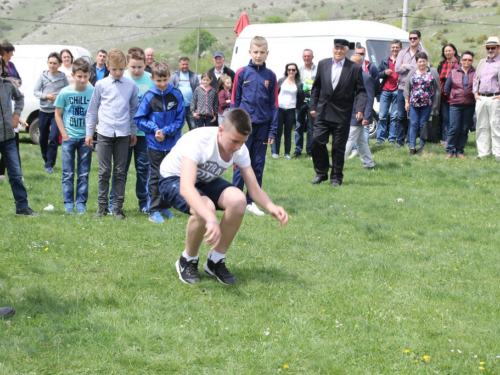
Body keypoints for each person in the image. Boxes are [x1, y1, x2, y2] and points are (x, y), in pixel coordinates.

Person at [158, 108, 288, 285]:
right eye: (234, 141)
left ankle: (215, 261)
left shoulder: (240, 149)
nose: (237, 147)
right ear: (221, 130)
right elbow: (187, 188)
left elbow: (254, 189)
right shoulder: (198, 140)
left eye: (242, 142)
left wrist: (272, 207)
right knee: (205, 208)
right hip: (173, 178)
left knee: (238, 200)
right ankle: (187, 260)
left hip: (204, 179)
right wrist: (211, 218)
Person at [85, 48, 139, 220]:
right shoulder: (101, 85)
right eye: (114, 69)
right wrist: (89, 132)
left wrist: (133, 131)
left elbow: (133, 110)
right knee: (104, 171)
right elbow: (92, 109)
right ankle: (102, 207)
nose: (117, 73)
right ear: (107, 66)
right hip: (104, 133)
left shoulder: (131, 85)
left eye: (121, 69)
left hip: (123, 133)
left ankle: (117, 207)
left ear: (125, 67)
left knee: (120, 171)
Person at [309, 38, 367, 187]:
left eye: (342, 48)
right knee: (316, 141)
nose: (339, 51)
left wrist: (360, 109)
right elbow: (316, 88)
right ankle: (321, 173)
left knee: (338, 147)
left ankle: (336, 177)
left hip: (342, 113)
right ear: (333, 49)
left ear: (347, 51)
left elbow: (361, 91)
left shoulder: (354, 68)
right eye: (336, 48)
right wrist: (313, 106)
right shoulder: (323, 64)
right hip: (323, 111)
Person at [231, 36, 278, 216]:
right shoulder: (242, 73)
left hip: (263, 128)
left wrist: (272, 130)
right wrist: (233, 127)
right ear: (250, 52)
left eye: (262, 52)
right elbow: (234, 102)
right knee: (239, 163)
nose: (258, 55)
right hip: (243, 128)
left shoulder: (271, 76)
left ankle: (251, 201)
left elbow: (274, 105)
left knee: (257, 164)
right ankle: (235, 200)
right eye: (255, 52)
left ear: (267, 53)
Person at [134, 61, 185, 223]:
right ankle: (154, 209)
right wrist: (155, 129)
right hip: (155, 144)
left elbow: (180, 119)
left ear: (170, 77)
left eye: (165, 80)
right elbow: (139, 118)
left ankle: (165, 207)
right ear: (152, 78)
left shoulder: (176, 94)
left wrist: (166, 131)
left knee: (170, 175)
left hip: (172, 144)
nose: (162, 84)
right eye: (158, 80)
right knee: (155, 175)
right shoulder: (149, 96)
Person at [109, 47, 151, 214]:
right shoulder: (121, 77)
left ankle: (143, 201)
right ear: (127, 65)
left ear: (145, 64)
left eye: (139, 67)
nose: (136, 70)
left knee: (143, 168)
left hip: (143, 132)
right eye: (133, 67)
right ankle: (114, 202)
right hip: (122, 132)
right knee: (120, 168)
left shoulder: (150, 79)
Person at [54, 58, 94, 214]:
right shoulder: (65, 92)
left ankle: (81, 203)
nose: (83, 80)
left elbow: (95, 113)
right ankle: (68, 203)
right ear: (73, 75)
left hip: (86, 138)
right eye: (79, 76)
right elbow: (57, 114)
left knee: (84, 173)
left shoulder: (93, 92)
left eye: (85, 76)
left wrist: (91, 132)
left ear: (89, 75)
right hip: (69, 138)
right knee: (68, 172)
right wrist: (64, 134)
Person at [0, 74, 39, 216]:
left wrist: (16, 114)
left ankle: (22, 207)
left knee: (16, 174)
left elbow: (20, 98)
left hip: (9, 137)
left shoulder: (7, 85)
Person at [34, 52, 69, 174]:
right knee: (43, 138)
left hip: (57, 112)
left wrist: (59, 97)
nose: (52, 66)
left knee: (53, 138)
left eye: (55, 63)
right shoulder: (43, 76)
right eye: (50, 63)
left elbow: (67, 91)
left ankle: (50, 164)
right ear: (47, 63)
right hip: (44, 111)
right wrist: (46, 96)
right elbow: (36, 91)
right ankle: (46, 158)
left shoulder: (63, 77)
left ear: (59, 64)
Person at [395, 30, 429, 148]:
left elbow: (421, 67)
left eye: (415, 38)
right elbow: (397, 69)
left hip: (418, 90)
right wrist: (411, 67)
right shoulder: (402, 53)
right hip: (402, 87)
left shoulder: (424, 53)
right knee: (400, 116)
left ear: (419, 39)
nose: (412, 40)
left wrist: (406, 65)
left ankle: (410, 141)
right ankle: (399, 141)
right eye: (410, 38)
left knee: (413, 119)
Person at [404, 52, 440, 155]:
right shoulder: (412, 72)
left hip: (427, 103)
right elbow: (407, 88)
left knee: (423, 125)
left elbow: (437, 89)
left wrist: (436, 104)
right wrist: (407, 101)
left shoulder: (432, 72)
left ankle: (421, 145)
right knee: (413, 124)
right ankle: (412, 147)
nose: (422, 63)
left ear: (427, 61)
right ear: (416, 62)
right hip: (414, 104)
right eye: (420, 61)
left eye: (424, 61)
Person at [344, 55, 375, 169]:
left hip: (358, 114)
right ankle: (368, 163)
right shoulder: (348, 75)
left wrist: (367, 116)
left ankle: (338, 163)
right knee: (361, 141)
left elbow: (369, 97)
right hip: (348, 113)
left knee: (349, 138)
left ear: (359, 64)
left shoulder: (365, 77)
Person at [444, 51, 476, 159]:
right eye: (465, 59)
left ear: (472, 61)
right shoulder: (454, 72)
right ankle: (450, 151)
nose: (467, 62)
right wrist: (453, 97)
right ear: (461, 60)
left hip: (470, 104)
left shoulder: (475, 73)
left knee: (464, 128)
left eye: (469, 60)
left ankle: (460, 151)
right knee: (454, 128)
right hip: (455, 105)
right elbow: (446, 88)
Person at [472, 36, 500, 160]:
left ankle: (498, 153)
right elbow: (475, 79)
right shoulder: (482, 62)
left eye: (492, 47)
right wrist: (475, 93)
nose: (490, 50)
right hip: (481, 98)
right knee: (481, 126)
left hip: (495, 98)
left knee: (496, 126)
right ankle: (483, 153)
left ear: (498, 48)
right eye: (488, 48)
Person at [271, 63, 304, 159]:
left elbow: (301, 97)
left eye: (293, 70)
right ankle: (275, 152)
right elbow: (275, 93)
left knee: (288, 132)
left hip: (291, 109)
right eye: (289, 69)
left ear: (296, 71)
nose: (291, 71)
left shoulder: (299, 83)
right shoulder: (281, 80)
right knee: (278, 131)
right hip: (280, 108)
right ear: (286, 71)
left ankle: (287, 153)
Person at [0, 43, 22, 180]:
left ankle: (21, 201)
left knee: (16, 174)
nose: (12, 54)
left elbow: (19, 94)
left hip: (8, 131)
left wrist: (17, 114)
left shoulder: (7, 82)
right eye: (10, 52)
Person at [375, 39, 401, 145]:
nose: (395, 49)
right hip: (385, 90)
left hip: (397, 90)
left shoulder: (402, 61)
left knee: (395, 116)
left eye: (397, 47)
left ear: (400, 48)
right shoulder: (385, 59)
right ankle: (380, 139)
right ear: (390, 48)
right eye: (393, 47)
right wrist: (384, 72)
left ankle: (391, 139)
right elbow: (377, 73)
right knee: (382, 116)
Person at [293, 48, 317, 158]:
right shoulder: (299, 70)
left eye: (308, 56)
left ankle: (310, 149)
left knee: (311, 126)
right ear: (302, 57)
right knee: (298, 126)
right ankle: (298, 150)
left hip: (312, 101)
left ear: (312, 57)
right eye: (305, 56)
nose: (306, 58)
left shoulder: (317, 69)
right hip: (300, 101)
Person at [437, 43, 460, 145]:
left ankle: (455, 139)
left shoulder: (460, 63)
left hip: (456, 95)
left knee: (455, 118)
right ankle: (446, 139)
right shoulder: (442, 64)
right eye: (446, 51)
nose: (448, 52)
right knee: (446, 118)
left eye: (450, 50)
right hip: (444, 96)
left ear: (454, 51)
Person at [170, 57, 199, 131]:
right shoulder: (174, 76)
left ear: (189, 65)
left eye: (186, 64)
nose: (185, 66)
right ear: (179, 65)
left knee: (193, 128)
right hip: (178, 107)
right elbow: (170, 91)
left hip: (191, 107)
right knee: (177, 128)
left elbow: (198, 91)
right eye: (183, 64)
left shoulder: (194, 76)